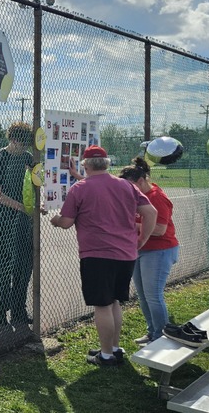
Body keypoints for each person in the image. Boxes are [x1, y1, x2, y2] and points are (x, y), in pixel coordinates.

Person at [50, 145, 157, 367]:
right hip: (125, 254)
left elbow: (66, 222)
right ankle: (114, 347)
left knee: (102, 305)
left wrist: (55, 220)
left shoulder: (80, 188)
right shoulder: (126, 185)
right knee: (114, 301)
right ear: (107, 164)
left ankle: (106, 355)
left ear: (86, 165)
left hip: (97, 254)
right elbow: (150, 212)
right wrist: (141, 240)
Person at [119, 157, 179, 344]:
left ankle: (162, 336)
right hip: (140, 249)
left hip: (160, 250)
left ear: (141, 181)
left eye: (130, 186)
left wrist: (131, 224)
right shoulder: (136, 195)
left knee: (153, 295)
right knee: (143, 295)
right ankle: (153, 332)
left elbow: (160, 229)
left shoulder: (156, 197)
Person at [0, 122, 35, 327]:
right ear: (13, 140)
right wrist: (21, 207)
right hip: (1, 222)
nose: (24, 148)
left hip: (23, 222)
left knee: (23, 267)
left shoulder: (27, 158)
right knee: (2, 269)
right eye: (22, 144)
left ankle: (18, 310)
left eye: (27, 144)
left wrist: (34, 206)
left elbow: (33, 185)